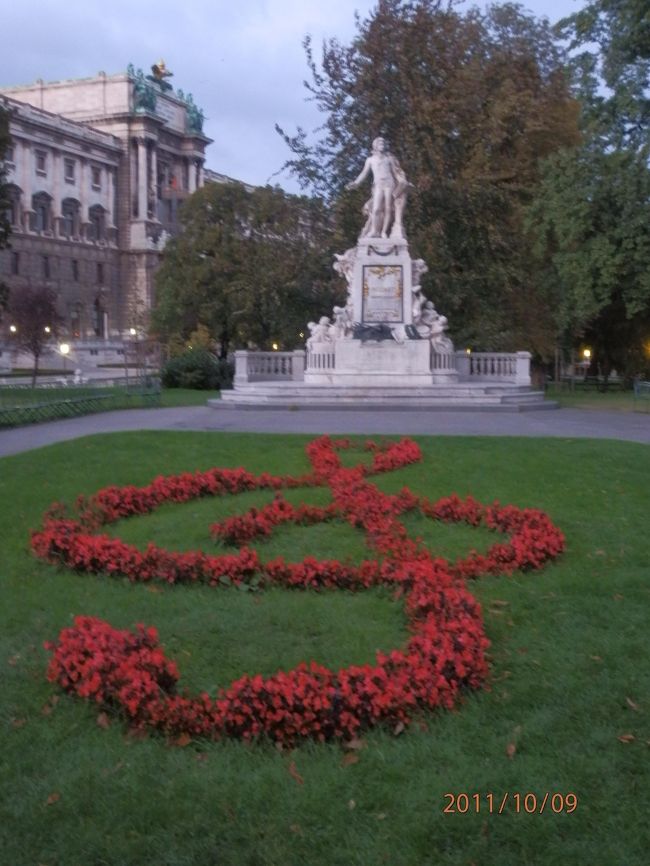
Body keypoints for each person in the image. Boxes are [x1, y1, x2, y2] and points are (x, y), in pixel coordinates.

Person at [346, 137, 410, 239]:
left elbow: (395, 172)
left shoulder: (389, 159)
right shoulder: (370, 160)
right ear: (375, 146)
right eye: (380, 143)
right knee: (376, 209)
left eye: (383, 143)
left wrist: (402, 181)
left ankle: (383, 232)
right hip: (378, 185)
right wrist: (356, 183)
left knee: (388, 208)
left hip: (389, 184)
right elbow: (363, 173)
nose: (382, 145)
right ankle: (374, 231)